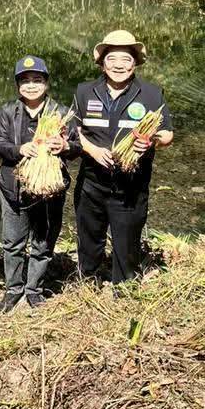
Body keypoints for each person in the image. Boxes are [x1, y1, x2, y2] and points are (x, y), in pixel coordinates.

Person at [73, 30, 174, 285]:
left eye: (126, 59)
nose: (119, 65)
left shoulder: (151, 94)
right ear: (102, 62)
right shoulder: (85, 91)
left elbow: (167, 133)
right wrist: (92, 150)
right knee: (89, 237)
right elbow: (73, 131)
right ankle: (88, 283)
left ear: (135, 63)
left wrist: (152, 141)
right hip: (92, 183)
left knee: (127, 240)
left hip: (132, 185)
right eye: (112, 58)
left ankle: (123, 290)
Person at [0, 55, 78, 313]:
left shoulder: (61, 113)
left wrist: (65, 146)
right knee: (13, 243)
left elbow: (77, 146)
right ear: (18, 85)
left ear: (46, 83)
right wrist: (20, 149)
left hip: (49, 190)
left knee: (43, 242)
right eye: (25, 81)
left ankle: (34, 289)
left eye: (37, 80)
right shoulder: (7, 111)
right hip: (14, 189)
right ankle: (13, 289)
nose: (31, 85)